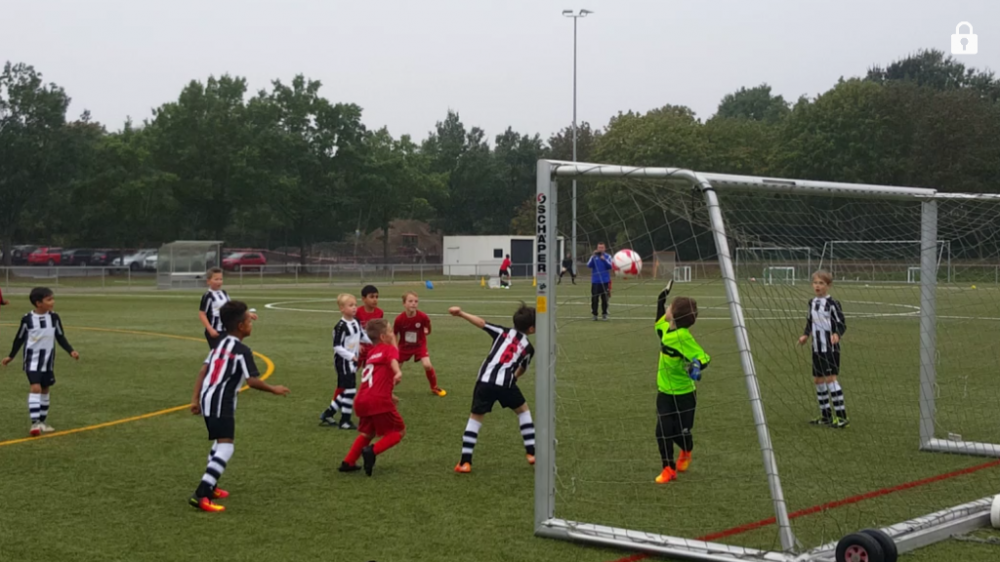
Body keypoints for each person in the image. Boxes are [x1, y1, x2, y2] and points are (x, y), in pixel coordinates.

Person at [188, 300, 289, 512]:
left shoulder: (219, 344)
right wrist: (274, 389)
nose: (251, 325)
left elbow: (203, 370)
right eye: (248, 322)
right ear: (241, 326)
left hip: (208, 398)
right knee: (226, 446)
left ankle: (212, 486)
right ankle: (201, 493)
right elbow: (252, 381)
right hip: (221, 401)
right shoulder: (242, 351)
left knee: (218, 443)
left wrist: (195, 399)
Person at [449, 304, 536, 473]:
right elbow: (523, 368)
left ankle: (465, 462)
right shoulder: (528, 348)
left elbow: (481, 323)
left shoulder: (502, 332)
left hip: (484, 381)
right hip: (506, 384)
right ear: (531, 329)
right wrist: (514, 377)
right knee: (523, 412)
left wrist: (461, 313)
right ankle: (531, 452)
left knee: (475, 418)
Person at [1, 287, 80, 436]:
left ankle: (42, 422)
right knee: (36, 388)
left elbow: (60, 336)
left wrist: (71, 351)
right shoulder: (27, 319)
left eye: (52, 298)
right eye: (49, 299)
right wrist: (11, 356)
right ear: (38, 303)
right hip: (32, 360)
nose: (53, 302)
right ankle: (35, 423)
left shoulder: (54, 317)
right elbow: (19, 338)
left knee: (45, 389)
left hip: (48, 360)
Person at [653, 282, 710, 484]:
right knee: (662, 432)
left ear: (675, 315)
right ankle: (668, 468)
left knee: (680, 433)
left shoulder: (684, 337)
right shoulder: (665, 330)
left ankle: (686, 450)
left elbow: (703, 356)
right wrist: (662, 297)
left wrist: (696, 366)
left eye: (670, 307)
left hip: (685, 395)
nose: (667, 309)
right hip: (665, 393)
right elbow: (659, 318)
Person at [339, 318, 405, 477]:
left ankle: (348, 462)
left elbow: (377, 378)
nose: (393, 334)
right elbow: (393, 360)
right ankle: (372, 451)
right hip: (378, 400)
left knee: (368, 432)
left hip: (362, 399)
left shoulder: (371, 353)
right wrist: (398, 372)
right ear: (383, 337)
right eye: (390, 331)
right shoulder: (389, 349)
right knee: (398, 431)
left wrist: (390, 394)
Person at [798, 270, 848, 428]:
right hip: (816, 348)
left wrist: (837, 334)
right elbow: (810, 322)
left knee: (831, 379)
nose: (817, 286)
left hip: (830, 349)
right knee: (818, 380)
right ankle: (826, 416)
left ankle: (841, 417)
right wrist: (805, 335)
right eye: (815, 283)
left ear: (828, 285)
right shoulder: (811, 303)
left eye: (821, 283)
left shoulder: (833, 304)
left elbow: (841, 323)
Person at [320, 294, 372, 429]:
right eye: (350, 305)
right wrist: (350, 356)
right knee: (350, 389)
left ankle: (329, 413)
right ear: (342, 308)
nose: (354, 307)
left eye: (355, 305)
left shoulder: (356, 321)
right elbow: (337, 346)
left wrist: (376, 342)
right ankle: (344, 420)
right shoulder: (340, 327)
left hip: (352, 361)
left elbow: (362, 335)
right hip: (343, 362)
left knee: (348, 390)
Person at [394, 291, 446, 396]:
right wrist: (395, 348)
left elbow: (428, 328)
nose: (413, 303)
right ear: (404, 303)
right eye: (410, 301)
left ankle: (434, 387)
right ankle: (386, 389)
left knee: (427, 365)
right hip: (404, 347)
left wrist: (427, 331)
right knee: (395, 369)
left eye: (416, 301)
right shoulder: (399, 319)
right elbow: (395, 334)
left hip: (419, 345)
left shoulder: (422, 317)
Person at [198, 267, 257, 349]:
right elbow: (202, 314)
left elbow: (232, 308)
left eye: (220, 279)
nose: (219, 282)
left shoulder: (224, 293)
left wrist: (247, 314)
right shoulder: (208, 296)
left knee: (229, 351)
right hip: (215, 331)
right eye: (216, 279)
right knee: (220, 353)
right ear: (208, 281)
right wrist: (210, 329)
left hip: (226, 330)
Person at [355, 284, 384, 366]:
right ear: (363, 299)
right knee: (352, 368)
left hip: (372, 347)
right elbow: (352, 330)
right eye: (371, 297)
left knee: (370, 369)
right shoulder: (357, 312)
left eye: (376, 297)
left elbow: (379, 330)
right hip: (359, 346)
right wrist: (356, 344)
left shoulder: (379, 312)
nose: (375, 300)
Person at [587, 243, 614, 321]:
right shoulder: (593, 256)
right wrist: (593, 257)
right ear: (597, 248)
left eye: (602, 247)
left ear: (605, 248)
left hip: (605, 281)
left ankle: (604, 314)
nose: (600, 249)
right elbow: (589, 265)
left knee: (605, 299)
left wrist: (604, 260)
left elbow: (611, 266)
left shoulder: (608, 256)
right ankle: (595, 314)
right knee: (594, 299)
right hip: (595, 281)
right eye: (599, 247)